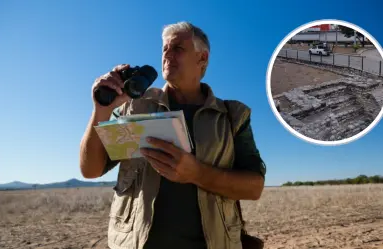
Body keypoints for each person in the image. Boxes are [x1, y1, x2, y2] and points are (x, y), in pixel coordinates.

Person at [79, 21, 266, 249]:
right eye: (164, 49)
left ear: (202, 58)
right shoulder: (135, 107)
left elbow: (254, 187)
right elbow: (91, 170)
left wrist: (196, 173)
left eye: (177, 49)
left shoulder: (232, 116)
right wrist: (102, 109)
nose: (167, 55)